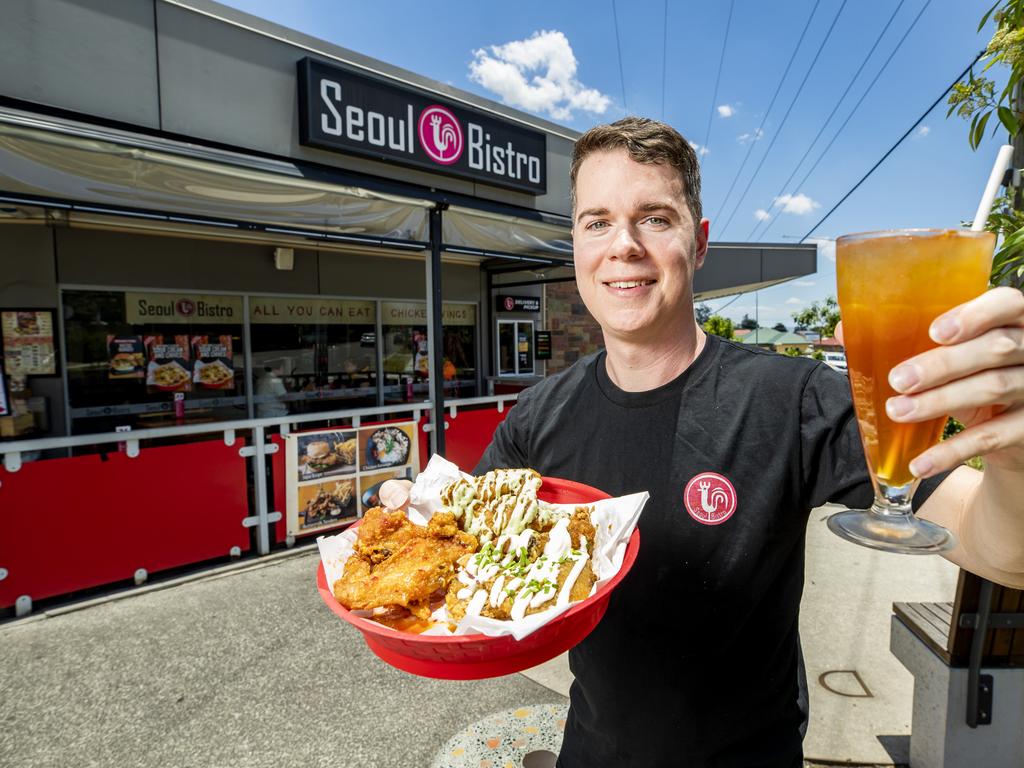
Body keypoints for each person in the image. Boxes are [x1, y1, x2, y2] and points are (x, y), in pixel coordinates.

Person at [385, 117, 1024, 767]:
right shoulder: (537, 416)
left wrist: (1015, 463)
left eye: (655, 218)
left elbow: (1002, 551)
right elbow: (465, 561)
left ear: (700, 244)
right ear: (574, 245)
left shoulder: (792, 398)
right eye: (597, 221)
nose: (623, 245)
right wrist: (405, 541)